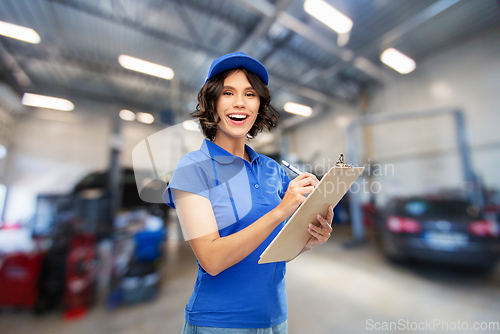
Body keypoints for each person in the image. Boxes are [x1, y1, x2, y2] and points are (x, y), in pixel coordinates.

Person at [163, 52, 334, 334]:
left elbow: (275, 252)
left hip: (275, 320)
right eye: (228, 92)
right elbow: (212, 260)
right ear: (213, 103)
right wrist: (281, 210)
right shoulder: (193, 169)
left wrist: (309, 239)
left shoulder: (272, 169)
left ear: (259, 106)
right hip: (218, 324)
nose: (240, 102)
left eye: (250, 94)